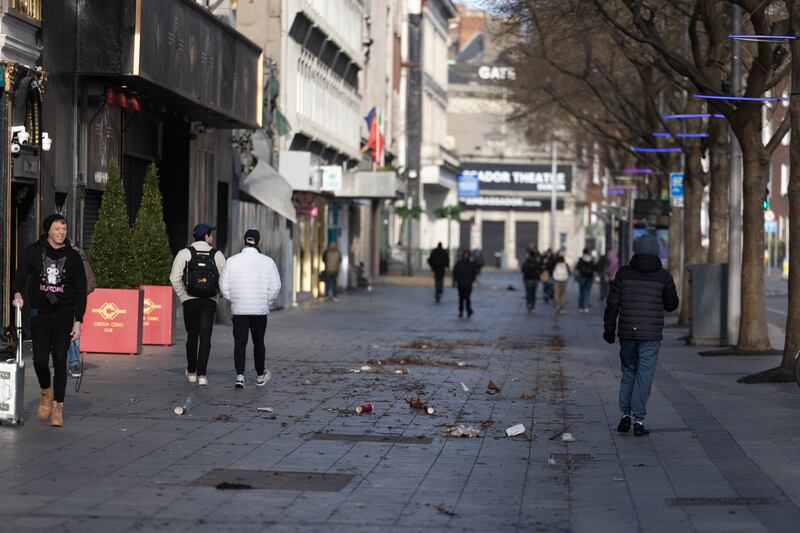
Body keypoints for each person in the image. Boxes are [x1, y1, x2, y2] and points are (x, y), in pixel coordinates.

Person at [12, 214, 87, 427]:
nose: (62, 233)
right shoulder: (33, 251)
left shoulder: (72, 257)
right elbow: (20, 276)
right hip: (40, 313)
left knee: (61, 359)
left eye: (64, 229)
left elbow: (81, 291)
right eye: (57, 229)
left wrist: (78, 320)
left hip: (64, 314)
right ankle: (46, 392)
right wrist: (18, 294)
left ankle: (58, 406)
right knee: (40, 361)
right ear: (48, 231)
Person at [603, 234, 679, 437]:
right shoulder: (663, 276)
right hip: (650, 334)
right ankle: (638, 419)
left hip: (627, 333)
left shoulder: (623, 273)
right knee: (644, 375)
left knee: (628, 372)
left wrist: (609, 328)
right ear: (656, 251)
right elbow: (672, 305)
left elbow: (612, 303)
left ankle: (625, 415)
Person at [220, 229, 281, 389]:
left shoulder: (232, 261)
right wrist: (265, 301)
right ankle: (260, 375)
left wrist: (234, 299)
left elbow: (223, 285)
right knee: (258, 342)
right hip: (259, 311)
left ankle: (240, 376)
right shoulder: (268, 262)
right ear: (258, 242)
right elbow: (276, 287)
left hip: (239, 310)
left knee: (240, 343)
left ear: (244, 240)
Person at [170, 223, 226, 386]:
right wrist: (219, 294)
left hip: (190, 300)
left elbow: (174, 278)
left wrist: (182, 295)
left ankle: (192, 371)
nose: (212, 237)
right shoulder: (217, 254)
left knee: (192, 336)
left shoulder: (184, 253)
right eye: (211, 234)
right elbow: (225, 277)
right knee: (206, 337)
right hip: (209, 300)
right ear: (206, 236)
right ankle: (202, 375)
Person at [67, 246, 96, 378]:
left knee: (74, 330)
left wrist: (79, 293)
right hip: (58, 303)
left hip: (74, 303)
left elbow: (91, 283)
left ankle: (73, 363)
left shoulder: (82, 262)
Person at [452, 250, 479, 318]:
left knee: (467, 298)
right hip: (461, 284)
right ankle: (461, 311)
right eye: (465, 254)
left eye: (467, 254)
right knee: (461, 298)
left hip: (468, 284)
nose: (466, 256)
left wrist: (472, 280)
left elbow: (474, 273)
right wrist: (457, 280)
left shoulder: (471, 264)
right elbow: (455, 272)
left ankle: (468, 310)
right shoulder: (459, 263)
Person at [521, 247, 542, 312]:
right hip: (535, 280)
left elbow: (522, 270)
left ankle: (528, 304)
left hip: (527, 279)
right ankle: (532, 304)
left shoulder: (526, 262)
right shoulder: (537, 262)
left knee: (528, 293)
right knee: (533, 293)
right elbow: (540, 270)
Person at [575, 248, 596, 314]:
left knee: (581, 292)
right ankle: (586, 307)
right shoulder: (591, 260)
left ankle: (581, 307)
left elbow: (577, 268)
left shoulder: (581, 259)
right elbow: (594, 269)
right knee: (587, 293)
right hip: (589, 278)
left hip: (582, 277)